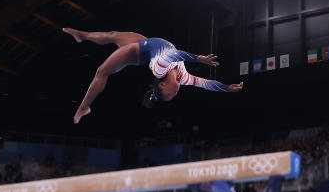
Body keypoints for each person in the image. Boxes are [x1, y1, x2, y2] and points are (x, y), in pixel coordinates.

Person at [63, 29, 243, 123]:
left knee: (102, 71)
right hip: (145, 42)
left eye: (170, 94)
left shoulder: (159, 69)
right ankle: (83, 35)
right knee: (112, 35)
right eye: (174, 96)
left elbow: (176, 54)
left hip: (136, 52)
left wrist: (198, 59)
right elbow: (207, 84)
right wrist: (227, 88)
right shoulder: (183, 77)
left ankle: (84, 106)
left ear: (162, 86)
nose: (176, 93)